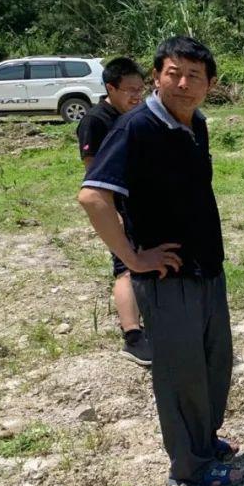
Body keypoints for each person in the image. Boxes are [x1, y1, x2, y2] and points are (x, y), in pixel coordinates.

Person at [78, 36, 243, 486]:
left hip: (207, 267)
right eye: (174, 73)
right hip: (167, 277)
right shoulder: (136, 128)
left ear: (210, 84)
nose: (183, 84)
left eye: (195, 76)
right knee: (180, 372)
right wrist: (131, 257)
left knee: (214, 362)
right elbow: (93, 197)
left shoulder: (197, 124)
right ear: (156, 76)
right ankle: (189, 466)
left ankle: (204, 441)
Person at [76, 57, 152, 366]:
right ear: (111, 88)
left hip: (141, 202)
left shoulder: (135, 115)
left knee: (143, 259)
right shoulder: (96, 120)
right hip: (117, 204)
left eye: (141, 89)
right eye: (130, 90)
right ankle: (132, 335)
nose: (137, 96)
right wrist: (112, 212)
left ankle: (149, 318)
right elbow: (92, 172)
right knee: (125, 266)